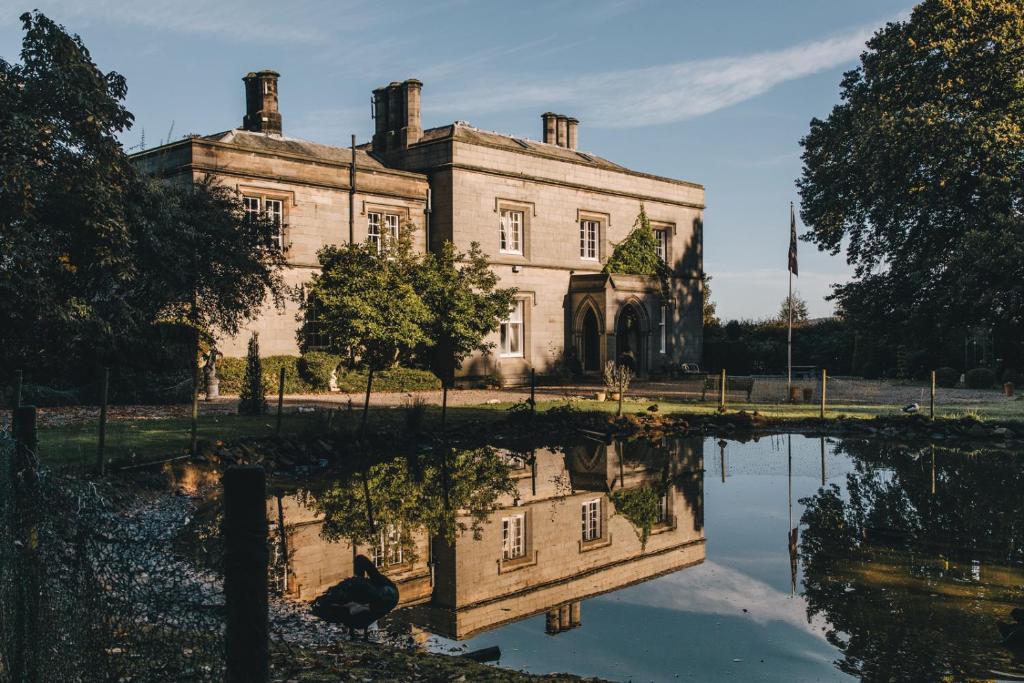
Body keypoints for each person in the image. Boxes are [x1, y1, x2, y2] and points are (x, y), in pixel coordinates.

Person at [311, 554, 399, 638]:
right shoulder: (387, 594)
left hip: (353, 607)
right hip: (352, 611)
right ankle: (363, 635)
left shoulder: (369, 585)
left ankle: (354, 632)